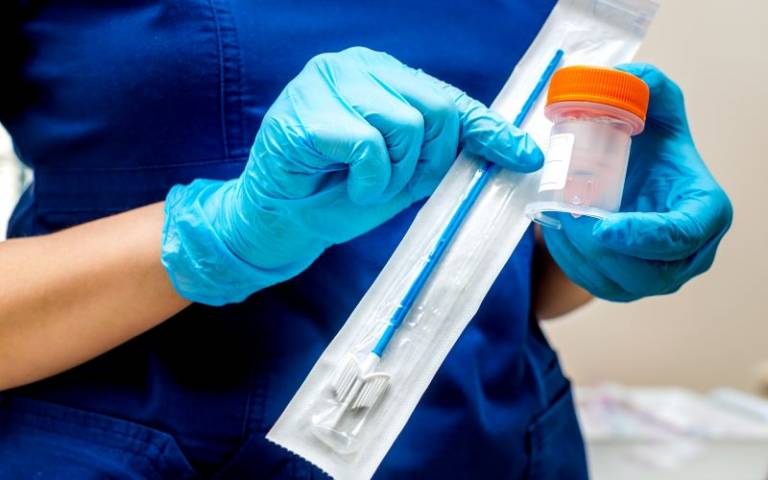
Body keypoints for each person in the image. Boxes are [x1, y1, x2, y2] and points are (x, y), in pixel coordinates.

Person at [0, 1, 731, 478]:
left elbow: (508, 284)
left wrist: (601, 236)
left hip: (488, 444)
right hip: (130, 449)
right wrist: (216, 236)